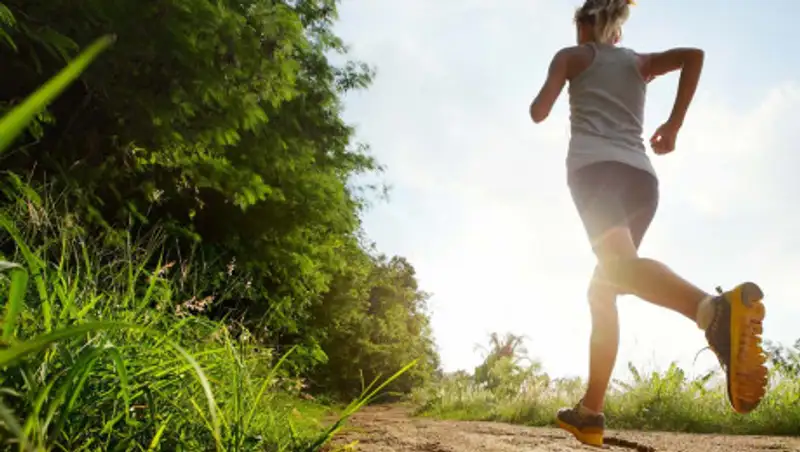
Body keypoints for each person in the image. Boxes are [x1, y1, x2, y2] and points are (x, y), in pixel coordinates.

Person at [528, 0, 768, 447]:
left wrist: (555, 86)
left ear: (583, 26)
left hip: (595, 172)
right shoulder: (638, 62)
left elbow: (539, 111)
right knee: (604, 287)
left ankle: (712, 311)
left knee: (618, 269)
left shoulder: (571, 56)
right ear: (617, 31)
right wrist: (673, 125)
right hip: (641, 180)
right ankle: (590, 413)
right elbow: (693, 56)